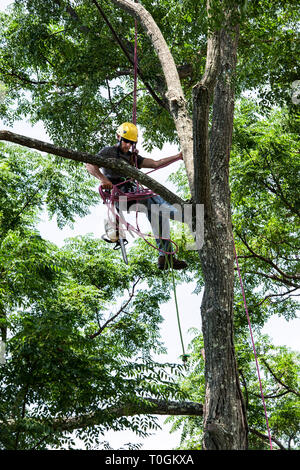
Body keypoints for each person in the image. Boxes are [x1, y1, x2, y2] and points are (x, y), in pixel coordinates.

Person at [85, 122, 188, 270]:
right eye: (126, 141)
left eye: (131, 143)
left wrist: (178, 157)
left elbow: (155, 163)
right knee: (156, 202)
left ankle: (166, 256)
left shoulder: (133, 158)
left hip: (133, 194)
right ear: (118, 137)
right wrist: (103, 179)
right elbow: (90, 164)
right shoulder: (108, 152)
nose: (127, 145)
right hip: (120, 196)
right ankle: (187, 216)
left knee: (157, 212)